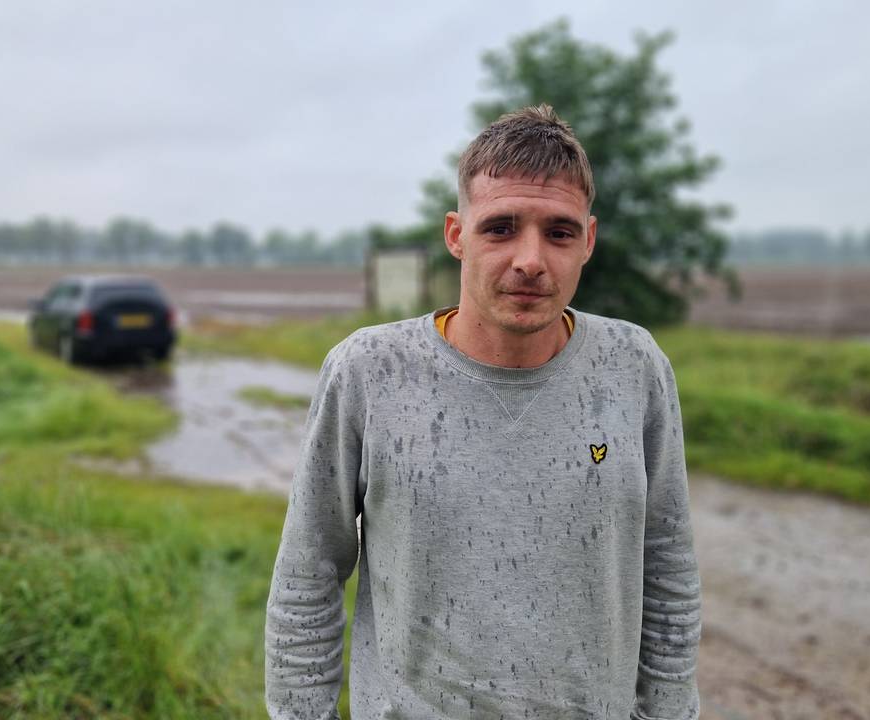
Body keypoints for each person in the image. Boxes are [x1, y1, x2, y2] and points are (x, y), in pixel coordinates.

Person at [265, 104, 701, 719]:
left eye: (559, 232)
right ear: (456, 234)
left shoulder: (634, 367)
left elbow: (668, 571)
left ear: (589, 242)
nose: (530, 259)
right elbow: (308, 574)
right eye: (500, 228)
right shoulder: (369, 371)